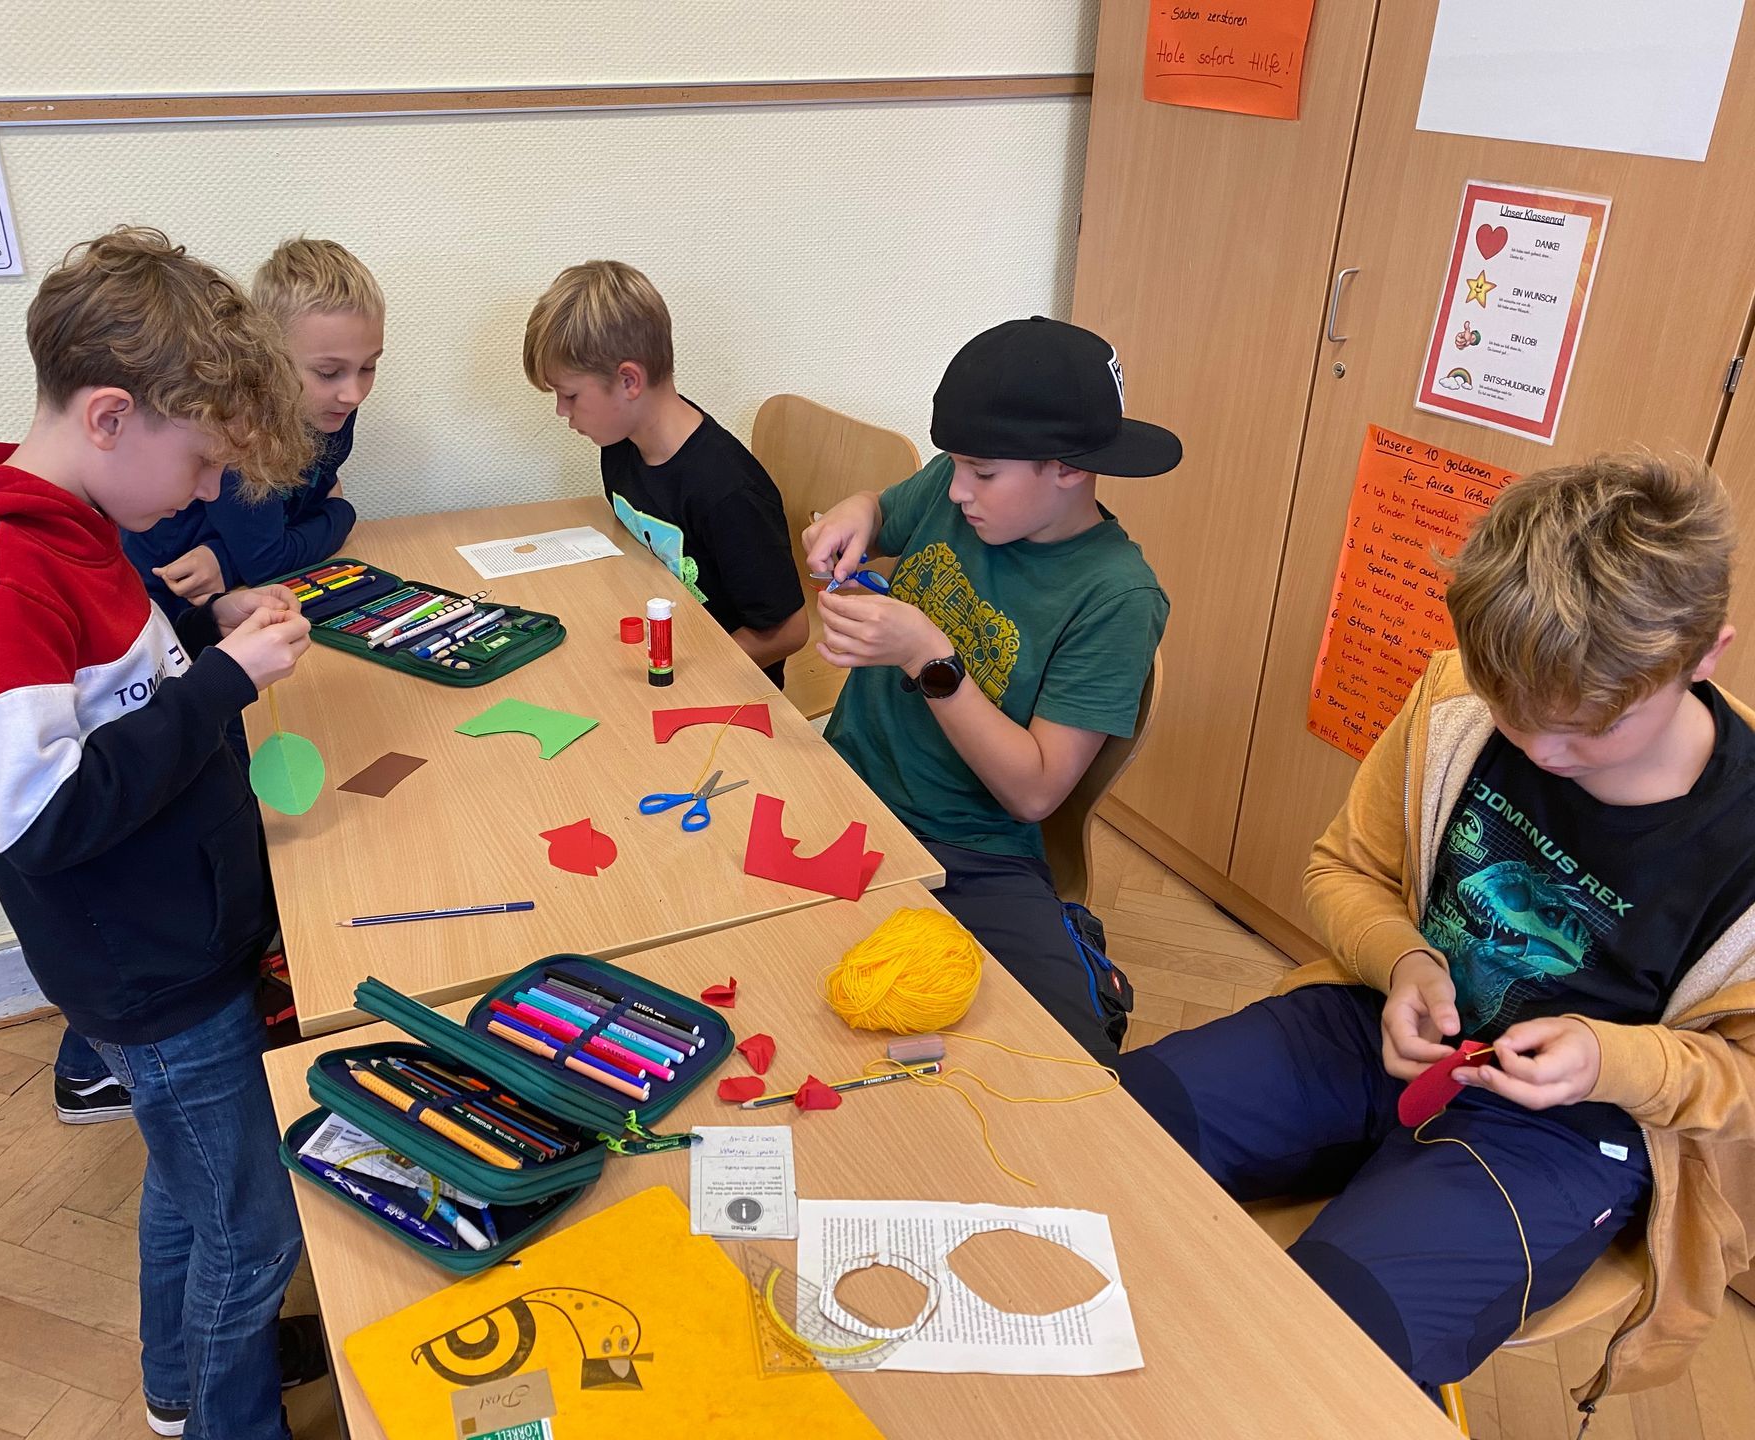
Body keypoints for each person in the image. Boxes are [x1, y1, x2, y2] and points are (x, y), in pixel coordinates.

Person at [1115, 454, 1755, 1407]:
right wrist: (1404, 958)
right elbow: (1343, 870)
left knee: (1332, 1343)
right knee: (1119, 1124)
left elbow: (1742, 1080)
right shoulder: (1459, 701)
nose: (1541, 750)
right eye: (1513, 712)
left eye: (1587, 729)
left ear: (1705, 656)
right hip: (1379, 1025)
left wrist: (1607, 1058)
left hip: (1572, 1128)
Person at [0, 227, 327, 1439]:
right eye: (202, 461)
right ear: (110, 416)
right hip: (150, 973)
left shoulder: (71, 526)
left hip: (181, 938)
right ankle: (228, 1419)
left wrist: (209, 634)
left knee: (192, 1182)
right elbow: (46, 814)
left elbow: (123, 682)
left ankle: (181, 1381)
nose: (206, 492)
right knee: (253, 1232)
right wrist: (227, 686)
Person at [806, 317, 1177, 1063]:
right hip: (841, 784)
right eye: (955, 465)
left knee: (1066, 1059)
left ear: (1066, 468)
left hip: (969, 848)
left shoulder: (1115, 596)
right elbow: (884, 510)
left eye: (982, 473)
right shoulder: (955, 492)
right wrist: (857, 509)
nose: (958, 489)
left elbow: (1035, 792)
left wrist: (929, 658)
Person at [523, 260, 808, 684]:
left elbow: (790, 631)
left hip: (718, 682)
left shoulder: (728, 492)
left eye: (570, 395)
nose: (562, 412)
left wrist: (691, 675)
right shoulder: (621, 445)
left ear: (629, 381)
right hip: (661, 642)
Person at [124, 235, 384, 616]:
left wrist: (226, 558)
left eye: (369, 366)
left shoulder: (331, 408)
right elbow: (269, 561)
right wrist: (342, 513)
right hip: (162, 601)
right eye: (328, 373)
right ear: (269, 357)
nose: (353, 393)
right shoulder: (245, 427)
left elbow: (296, 509)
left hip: (229, 592)